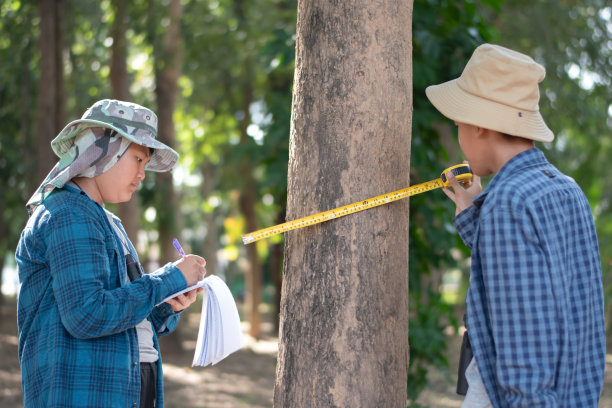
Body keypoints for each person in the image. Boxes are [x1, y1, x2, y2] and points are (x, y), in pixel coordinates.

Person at [426, 44, 606, 407]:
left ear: (478, 125)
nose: (458, 132)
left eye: (458, 123)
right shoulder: (566, 190)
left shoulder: (507, 203)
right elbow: (528, 279)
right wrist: (472, 210)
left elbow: (526, 344)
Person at [16, 99, 207, 408]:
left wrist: (165, 305)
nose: (143, 174)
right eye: (137, 159)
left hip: (127, 389)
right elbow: (86, 314)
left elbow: (120, 314)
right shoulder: (67, 214)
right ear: (104, 150)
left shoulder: (106, 221)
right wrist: (166, 279)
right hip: (83, 393)